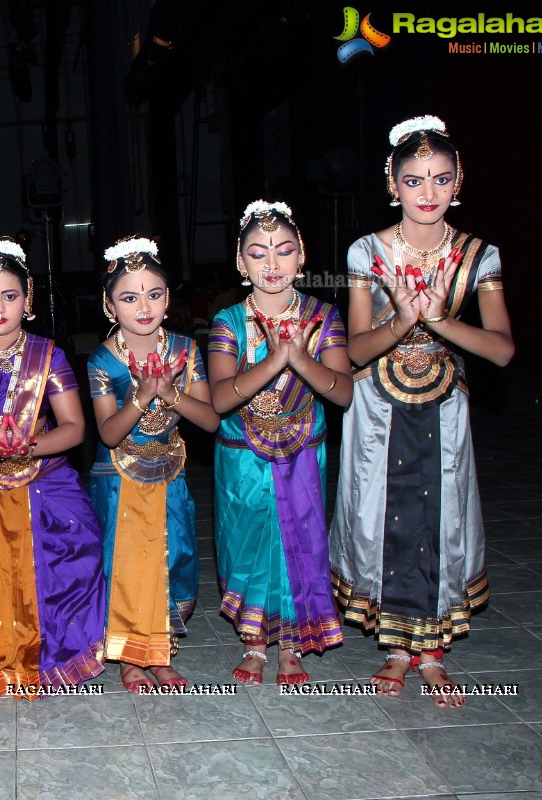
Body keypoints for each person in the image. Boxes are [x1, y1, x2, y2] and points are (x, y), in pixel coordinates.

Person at [330, 116, 513, 708]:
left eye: (440, 178)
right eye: (414, 180)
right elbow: (354, 348)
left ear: (459, 181)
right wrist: (402, 319)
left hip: (444, 404)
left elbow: (502, 350)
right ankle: (396, 650)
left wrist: (437, 320)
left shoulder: (479, 256)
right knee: (385, 517)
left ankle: (431, 651)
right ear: (393, 182)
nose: (427, 193)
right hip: (378, 405)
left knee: (441, 514)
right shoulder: (367, 252)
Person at [0, 236, 106, 698]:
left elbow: (73, 427)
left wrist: (29, 444)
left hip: (43, 472)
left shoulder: (49, 355)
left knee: (78, 542)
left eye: (9, 295)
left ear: (27, 300)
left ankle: (56, 655)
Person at [207, 201, 353, 685]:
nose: (272, 264)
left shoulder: (323, 315)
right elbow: (222, 397)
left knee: (302, 540)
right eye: (258, 253)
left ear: (301, 256)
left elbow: (343, 390)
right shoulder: (228, 321)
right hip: (242, 454)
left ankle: (292, 642)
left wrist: (297, 356)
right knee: (245, 539)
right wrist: (272, 360)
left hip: (303, 451)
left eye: (284, 251)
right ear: (240, 263)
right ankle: (254, 642)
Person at [86, 236, 219, 693]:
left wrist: (170, 391)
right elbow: (107, 434)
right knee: (126, 564)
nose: (143, 306)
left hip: (170, 469)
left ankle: (161, 652)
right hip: (118, 475)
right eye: (129, 296)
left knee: (175, 557)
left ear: (168, 297)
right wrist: (142, 395)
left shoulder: (185, 348)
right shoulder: (104, 359)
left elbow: (210, 418)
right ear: (109, 305)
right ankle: (129, 658)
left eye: (154, 294)